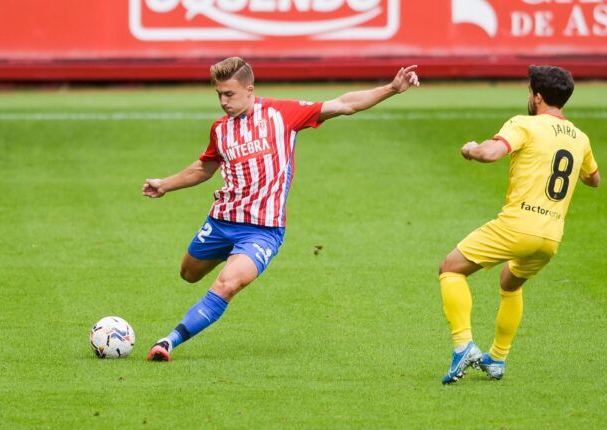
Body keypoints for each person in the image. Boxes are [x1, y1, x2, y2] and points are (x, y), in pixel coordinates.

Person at [143, 57, 420, 361]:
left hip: (262, 231)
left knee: (228, 283)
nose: (223, 101)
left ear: (250, 90)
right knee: (188, 274)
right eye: (219, 94)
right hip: (221, 221)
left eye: (229, 94)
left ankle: (169, 341)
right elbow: (205, 167)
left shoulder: (282, 114)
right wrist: (165, 184)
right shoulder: (220, 130)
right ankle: (229, 254)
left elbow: (344, 104)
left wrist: (393, 88)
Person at [438, 65, 600, 383]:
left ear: (537, 97)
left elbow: (490, 153)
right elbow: (594, 179)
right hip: (551, 236)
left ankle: (463, 345)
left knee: (450, 269)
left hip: (517, 225)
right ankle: (497, 359)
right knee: (510, 282)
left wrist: (470, 149)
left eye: (529, 91)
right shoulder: (580, 138)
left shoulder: (523, 124)